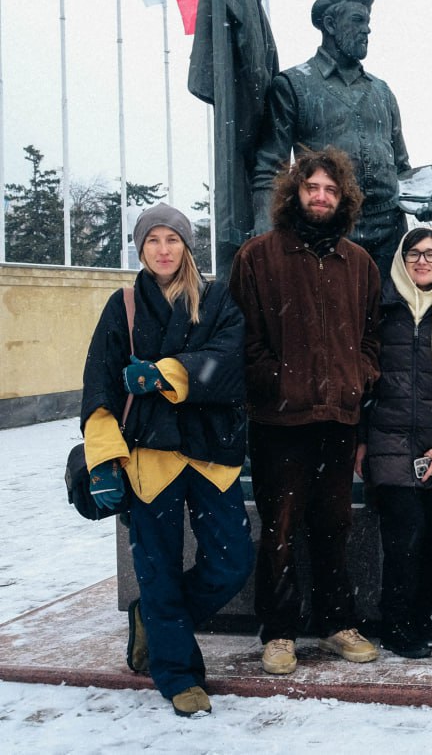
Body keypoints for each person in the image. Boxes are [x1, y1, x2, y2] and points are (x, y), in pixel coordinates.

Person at [81, 204, 254, 717]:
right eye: (152, 240)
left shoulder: (218, 298)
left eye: (171, 240)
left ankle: (152, 621)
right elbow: (99, 386)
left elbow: (230, 363)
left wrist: (164, 373)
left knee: (232, 562)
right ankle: (178, 675)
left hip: (208, 455)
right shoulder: (125, 306)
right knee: (156, 569)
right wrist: (104, 460)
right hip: (148, 458)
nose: (162, 249)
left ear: (186, 246)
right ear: (140, 249)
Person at [230, 146, 382, 676]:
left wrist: (357, 376)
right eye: (312, 187)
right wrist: (281, 381)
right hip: (279, 421)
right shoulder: (259, 257)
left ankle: (337, 621)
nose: (320, 197)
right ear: (295, 193)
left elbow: (371, 338)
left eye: (330, 190)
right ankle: (279, 632)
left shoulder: (358, 263)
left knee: (333, 524)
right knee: (279, 527)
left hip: (338, 418)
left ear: (343, 199)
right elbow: (242, 340)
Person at [357, 227, 432, 658]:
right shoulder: (381, 310)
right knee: (404, 538)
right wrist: (360, 439)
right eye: (414, 254)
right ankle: (396, 622)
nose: (423, 262)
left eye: (431, 255)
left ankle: (421, 617)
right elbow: (364, 379)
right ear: (402, 260)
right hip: (390, 444)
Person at [252, 0, 423, 278]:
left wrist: (421, 201)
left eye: (368, 22)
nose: (367, 30)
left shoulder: (382, 91)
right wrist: (267, 238)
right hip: (327, 236)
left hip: (389, 238)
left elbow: (403, 169)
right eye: (358, 21)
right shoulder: (293, 85)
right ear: (330, 24)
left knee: (389, 322)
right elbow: (270, 169)